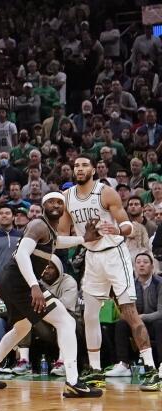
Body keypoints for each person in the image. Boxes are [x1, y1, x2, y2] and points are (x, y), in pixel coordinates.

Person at [0, 192, 102, 396]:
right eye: (51, 201)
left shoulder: (47, 230)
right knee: (66, 322)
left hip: (10, 281)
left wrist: (82, 239)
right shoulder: (38, 224)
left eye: (60, 202)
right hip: (20, 281)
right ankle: (73, 381)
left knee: (21, 329)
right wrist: (34, 286)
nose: (56, 205)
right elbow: (23, 254)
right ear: (43, 206)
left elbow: (57, 242)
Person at [68, 157, 159, 390]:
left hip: (114, 254)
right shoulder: (67, 198)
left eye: (84, 165)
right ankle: (96, 370)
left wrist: (116, 228)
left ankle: (151, 370)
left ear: (93, 169)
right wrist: (81, 238)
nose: (80, 168)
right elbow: (62, 234)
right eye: (76, 165)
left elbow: (128, 227)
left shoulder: (105, 193)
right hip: (91, 257)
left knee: (128, 312)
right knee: (90, 316)